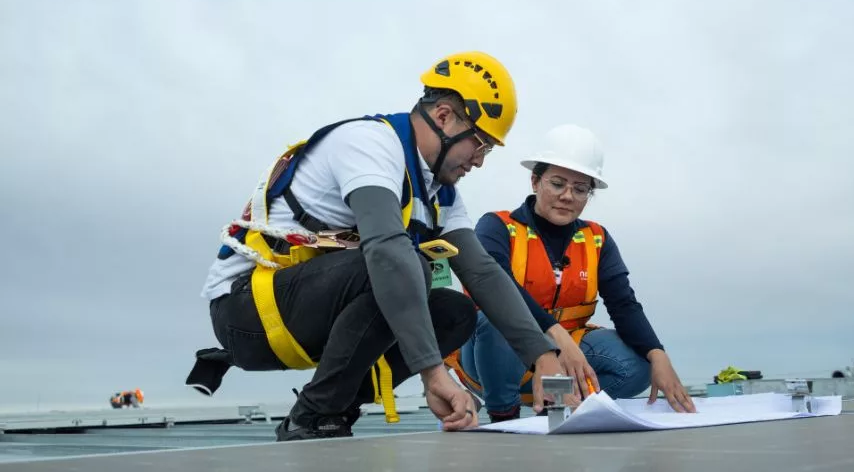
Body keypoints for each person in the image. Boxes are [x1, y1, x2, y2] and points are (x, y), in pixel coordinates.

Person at [185, 51, 568, 441]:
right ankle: (313, 417)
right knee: (402, 266)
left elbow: (483, 273)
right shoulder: (369, 144)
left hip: (310, 313)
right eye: (480, 144)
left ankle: (332, 410)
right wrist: (433, 373)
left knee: (454, 312)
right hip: (247, 314)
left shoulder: (440, 194)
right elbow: (385, 250)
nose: (479, 161)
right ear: (444, 117)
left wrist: (542, 356)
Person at [445, 124, 696, 422]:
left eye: (580, 189)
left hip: (564, 358)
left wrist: (658, 354)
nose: (567, 196)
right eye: (557, 183)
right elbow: (498, 289)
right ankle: (505, 416)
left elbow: (623, 304)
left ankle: (561, 404)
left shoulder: (597, 239)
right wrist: (555, 337)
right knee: (496, 320)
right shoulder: (498, 227)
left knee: (638, 366)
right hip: (495, 357)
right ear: (535, 181)